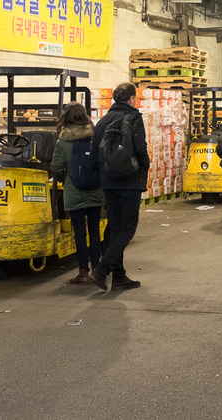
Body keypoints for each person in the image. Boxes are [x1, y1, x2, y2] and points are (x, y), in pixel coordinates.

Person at [89, 82, 150, 292]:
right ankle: (102, 269)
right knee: (127, 228)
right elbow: (141, 148)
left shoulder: (102, 121)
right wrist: (144, 168)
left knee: (115, 228)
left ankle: (119, 277)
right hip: (129, 181)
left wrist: (104, 177)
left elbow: (95, 154)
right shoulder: (134, 118)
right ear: (131, 99)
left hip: (109, 182)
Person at [51, 102, 105, 285]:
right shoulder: (96, 136)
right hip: (96, 190)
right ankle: (97, 269)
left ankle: (83, 272)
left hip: (74, 191)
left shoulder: (63, 140)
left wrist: (65, 177)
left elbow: (56, 168)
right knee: (95, 231)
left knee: (80, 233)